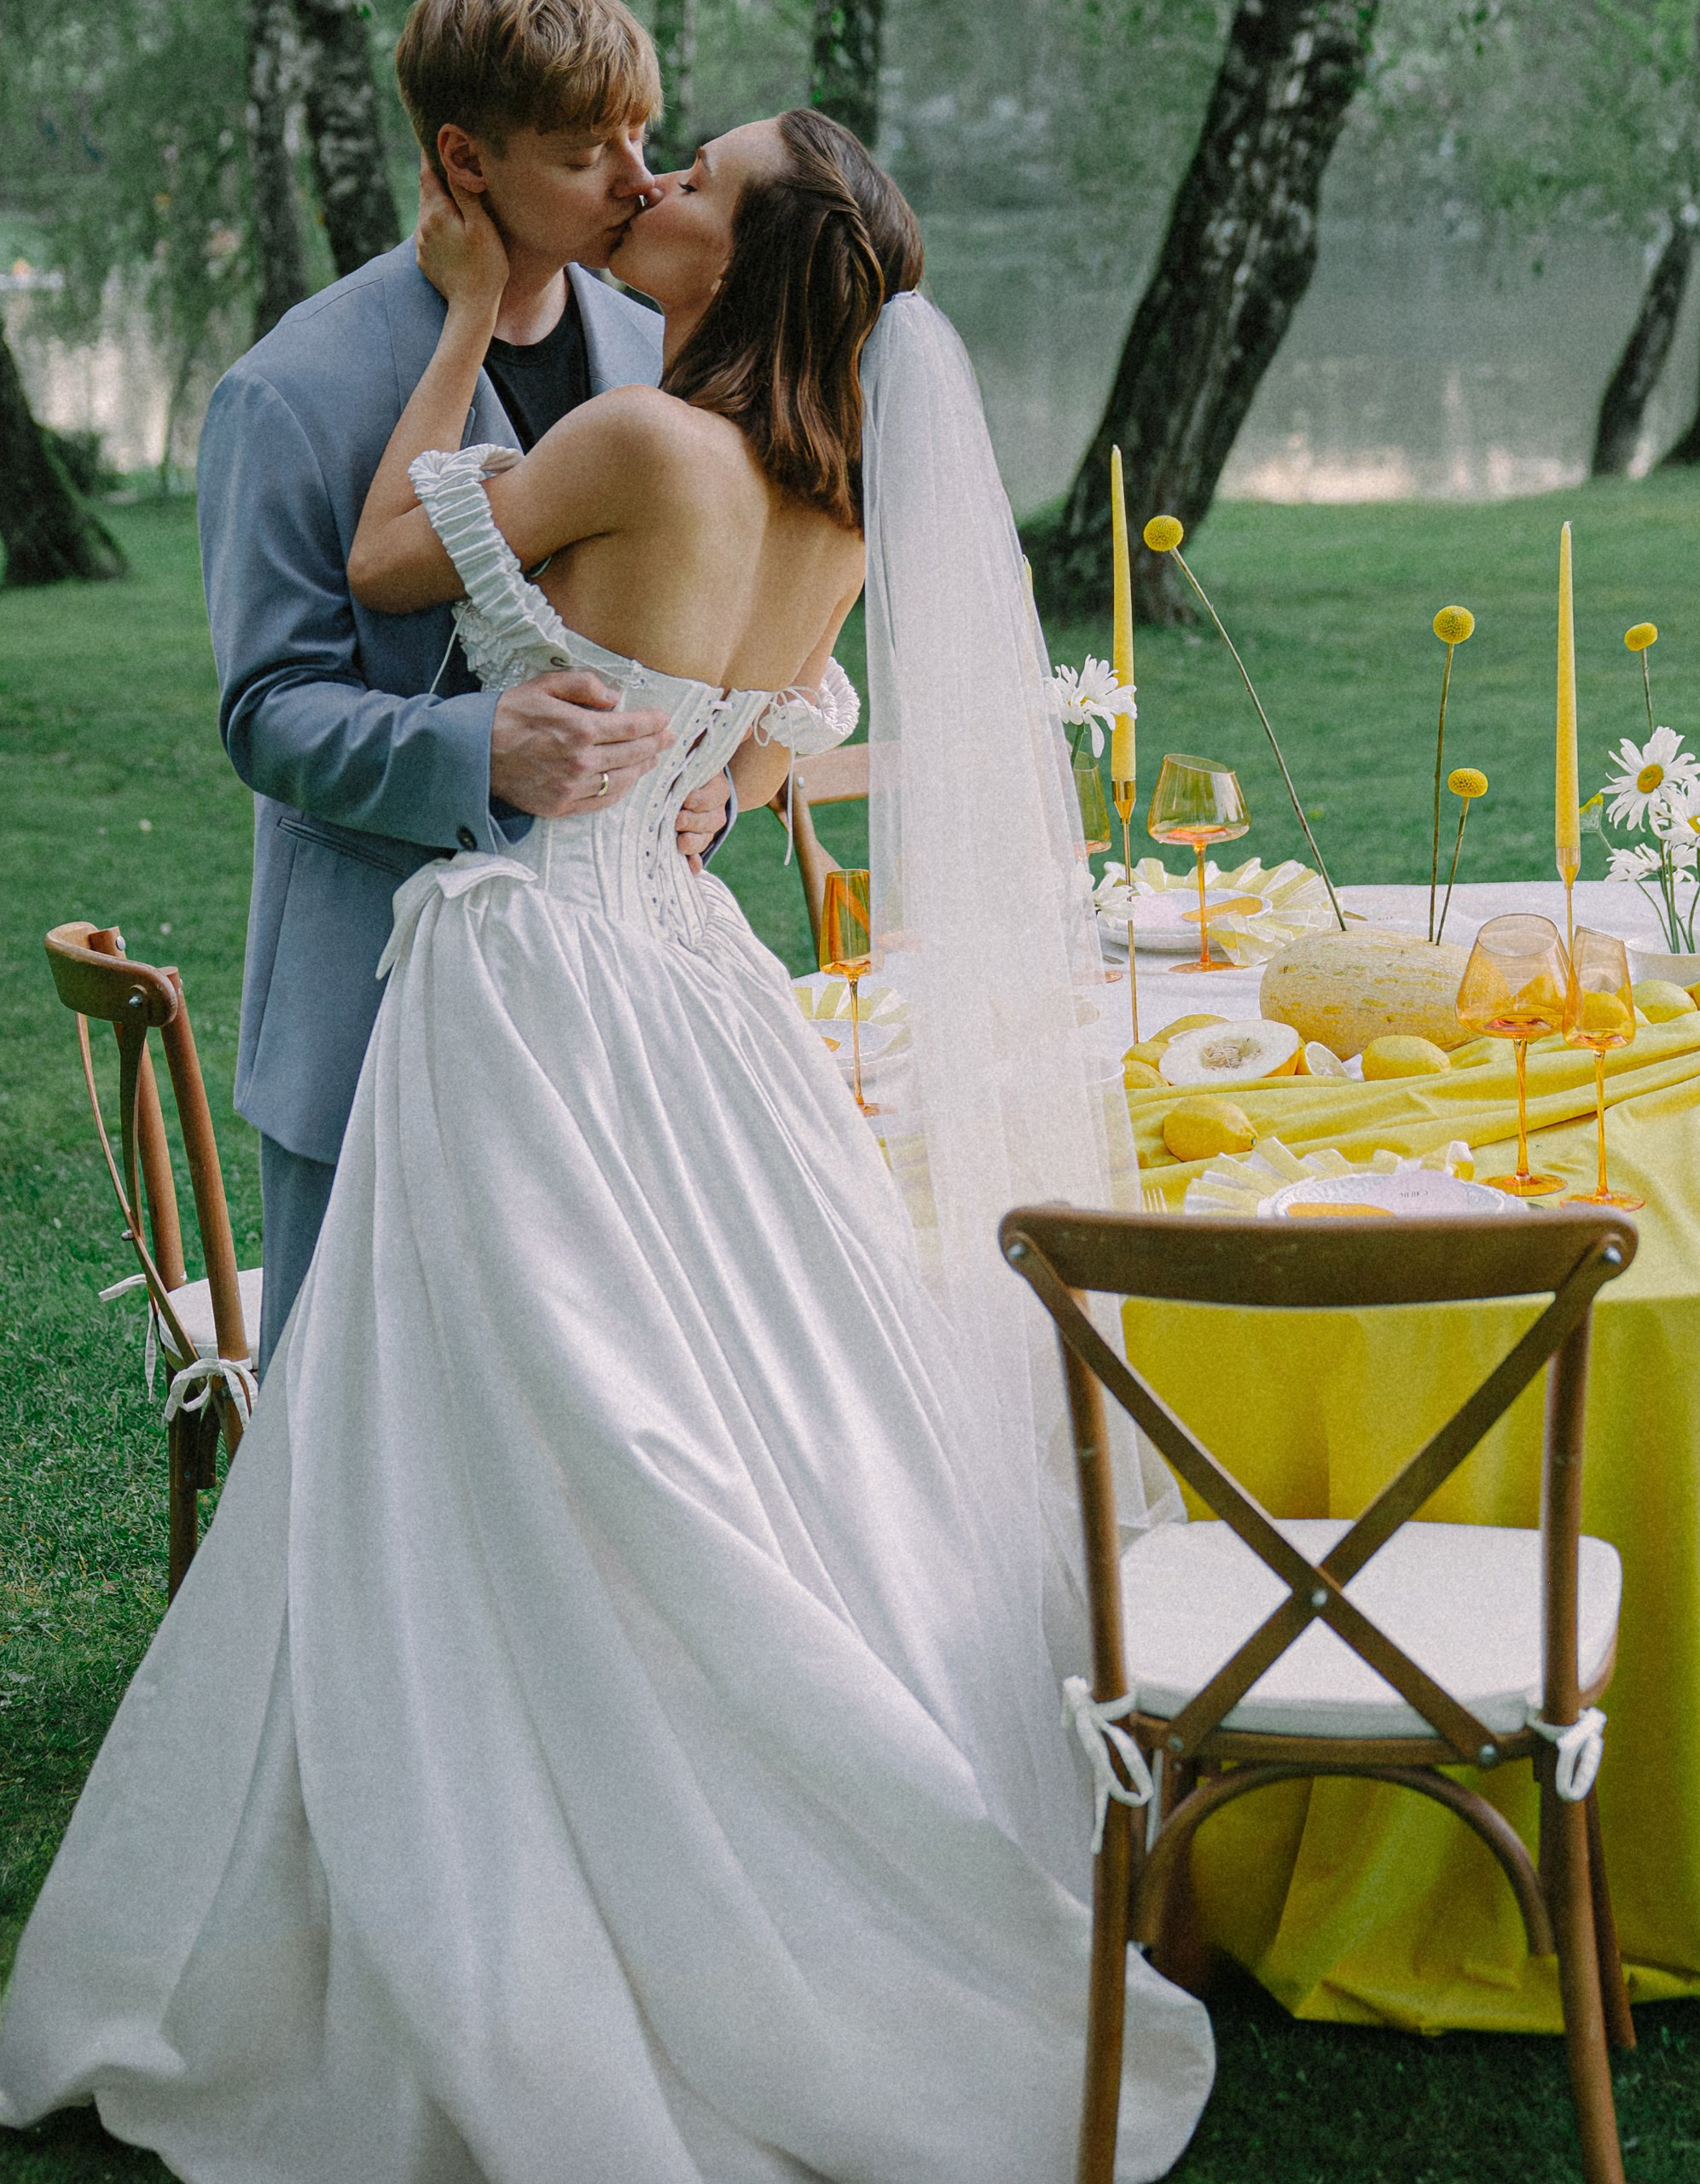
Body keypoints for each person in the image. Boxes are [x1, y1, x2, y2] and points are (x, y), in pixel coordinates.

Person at [0, 102, 1213, 2184]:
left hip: (540, 977)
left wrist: (462, 323)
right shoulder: (833, 511)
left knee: (514, 1411)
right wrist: (696, 775)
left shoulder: (642, 439)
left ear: (739, 265)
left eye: (694, 182)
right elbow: (756, 746)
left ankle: (519, 1831)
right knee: (726, 1401)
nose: (652, 185)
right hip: (688, 974)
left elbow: (386, 559)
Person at [200, 0, 740, 1364]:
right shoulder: (291, 391)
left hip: (612, 1022)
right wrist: (475, 747)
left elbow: (700, 640)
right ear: (464, 159)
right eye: (584, 152)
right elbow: (269, 711)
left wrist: (707, 781)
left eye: (642, 136)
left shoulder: (657, 359)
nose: (637, 180)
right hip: (369, 1019)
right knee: (361, 1418)